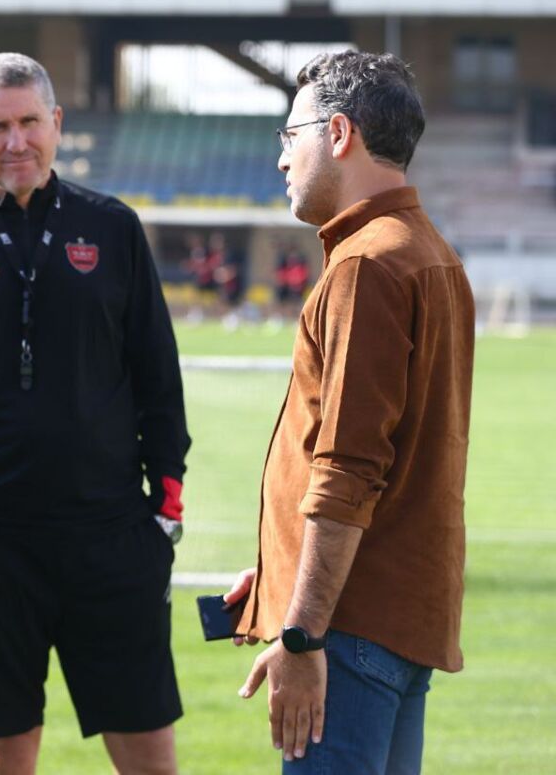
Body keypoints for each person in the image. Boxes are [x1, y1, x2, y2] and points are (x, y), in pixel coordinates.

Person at [0, 52, 190, 775]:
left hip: (111, 535)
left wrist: (165, 507)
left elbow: (158, 377)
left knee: (150, 758)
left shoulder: (112, 228)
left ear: (56, 124)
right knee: (1, 760)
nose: (14, 141)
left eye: (28, 122)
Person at [224, 51, 474, 773]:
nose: (280, 160)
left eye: (287, 136)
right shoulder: (431, 254)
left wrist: (301, 633)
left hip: (347, 631)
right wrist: (280, 567)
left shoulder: (368, 263)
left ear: (337, 133)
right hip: (398, 619)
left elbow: (350, 468)